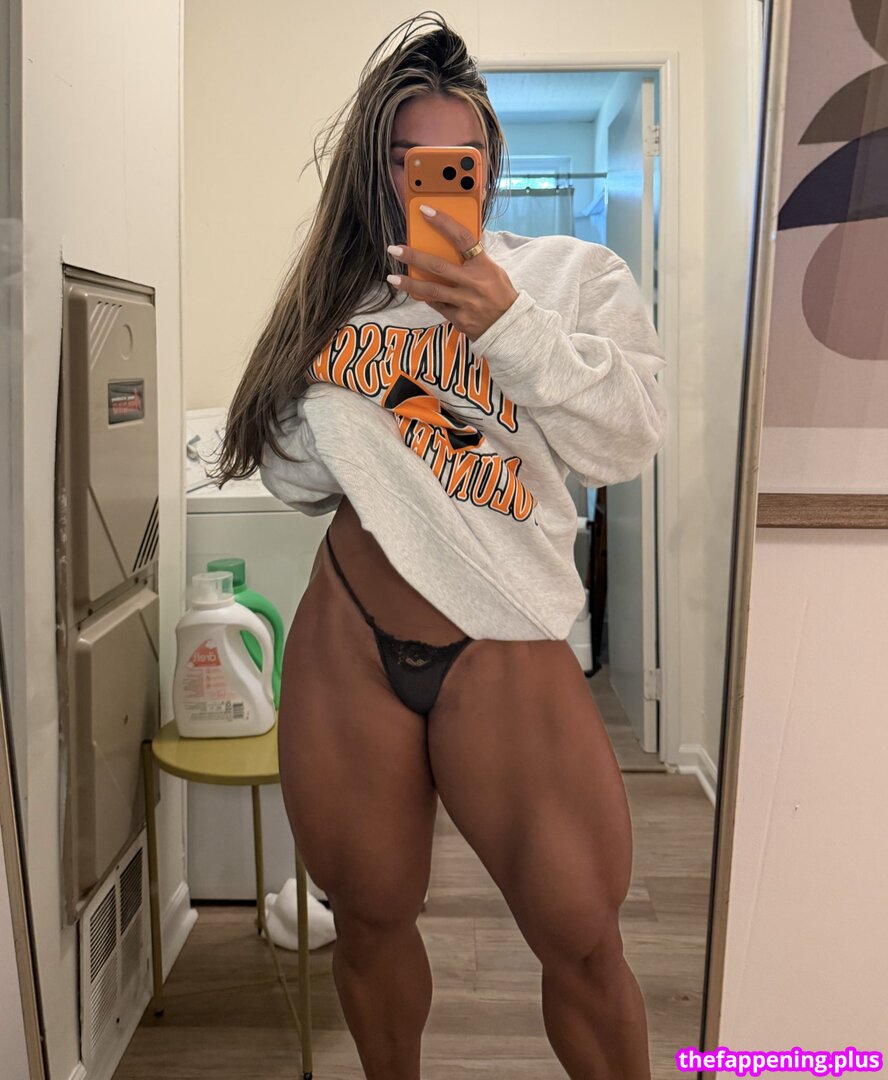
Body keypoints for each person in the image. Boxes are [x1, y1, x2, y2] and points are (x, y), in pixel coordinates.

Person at [212, 11, 667, 1079]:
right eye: (408, 159)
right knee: (369, 921)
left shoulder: (572, 278)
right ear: (375, 171)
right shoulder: (335, 301)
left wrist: (506, 325)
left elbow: (625, 441)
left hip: (502, 640)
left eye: (457, 158)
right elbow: (290, 476)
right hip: (349, 639)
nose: (435, 179)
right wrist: (347, 372)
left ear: (489, 162)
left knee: (583, 938)